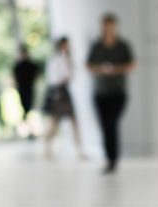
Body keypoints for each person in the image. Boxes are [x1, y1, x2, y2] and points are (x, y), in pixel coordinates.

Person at [86, 13, 136, 174]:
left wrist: (116, 70)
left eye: (110, 26)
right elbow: (88, 65)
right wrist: (100, 70)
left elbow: (132, 64)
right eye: (105, 26)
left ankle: (113, 159)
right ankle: (109, 159)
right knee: (105, 126)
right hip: (100, 93)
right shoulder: (96, 46)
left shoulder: (122, 46)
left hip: (118, 92)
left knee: (111, 124)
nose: (107, 29)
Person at [42, 37, 85, 160]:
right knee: (54, 123)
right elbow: (54, 78)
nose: (67, 47)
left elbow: (72, 75)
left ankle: (79, 151)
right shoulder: (55, 60)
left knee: (73, 122)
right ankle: (47, 149)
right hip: (58, 92)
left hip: (64, 91)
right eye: (65, 45)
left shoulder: (67, 59)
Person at [12, 46, 41, 134]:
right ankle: (27, 129)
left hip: (29, 89)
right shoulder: (18, 66)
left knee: (29, 109)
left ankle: (31, 129)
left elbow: (37, 74)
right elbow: (14, 78)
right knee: (25, 109)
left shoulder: (31, 65)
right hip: (22, 90)